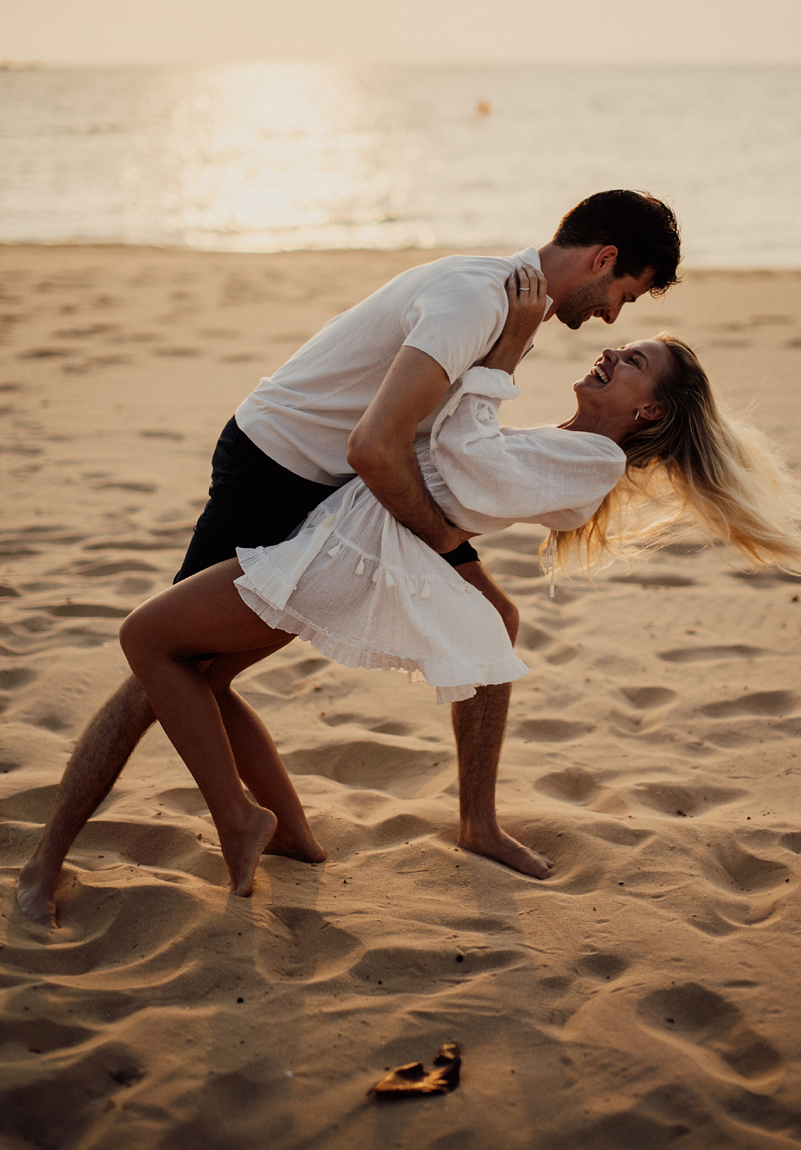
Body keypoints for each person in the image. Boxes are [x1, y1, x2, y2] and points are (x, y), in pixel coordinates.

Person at [17, 189, 682, 925]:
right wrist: (438, 547)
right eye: (625, 294)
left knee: (488, 618)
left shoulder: (513, 310)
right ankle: (54, 864)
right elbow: (376, 446)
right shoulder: (481, 304)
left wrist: (450, 554)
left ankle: (321, 833)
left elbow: (439, 442)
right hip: (283, 473)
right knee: (164, 667)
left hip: (338, 490)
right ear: (604, 259)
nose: (615, 317)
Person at [118, 267, 801, 900]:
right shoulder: (568, 443)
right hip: (338, 537)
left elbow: (459, 449)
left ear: (650, 411)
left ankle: (241, 819)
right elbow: (453, 451)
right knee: (199, 674)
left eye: (633, 359)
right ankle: (292, 836)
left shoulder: (591, 467)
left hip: (342, 554)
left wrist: (509, 346)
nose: (610, 349)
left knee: (147, 638)